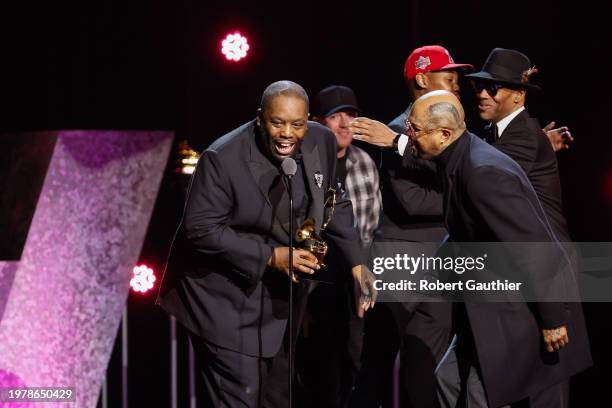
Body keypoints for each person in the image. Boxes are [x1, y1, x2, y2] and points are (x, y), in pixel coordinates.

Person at [157, 80, 376, 408]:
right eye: (277, 122)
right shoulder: (222, 158)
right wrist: (271, 256)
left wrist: (358, 262)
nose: (287, 133)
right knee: (240, 398)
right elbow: (200, 229)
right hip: (223, 302)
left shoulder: (322, 141)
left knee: (278, 398)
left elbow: (335, 201)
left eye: (297, 124)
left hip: (279, 302)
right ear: (260, 118)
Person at [406, 90, 592, 407]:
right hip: (491, 306)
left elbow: (534, 247)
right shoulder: (456, 157)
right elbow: (470, 231)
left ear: (443, 134)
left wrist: (551, 318)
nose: (409, 136)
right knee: (447, 381)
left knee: (482, 397)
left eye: (415, 129)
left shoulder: (481, 174)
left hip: (522, 309)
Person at [348, 45, 473, 408]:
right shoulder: (396, 131)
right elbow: (412, 201)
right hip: (403, 260)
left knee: (426, 368)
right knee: (379, 370)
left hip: (439, 263)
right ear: (422, 78)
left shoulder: (454, 132)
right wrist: (466, 199)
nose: (457, 85)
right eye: (448, 77)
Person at [296, 85, 382, 407]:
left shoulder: (364, 163)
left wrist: (364, 277)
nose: (345, 124)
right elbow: (300, 228)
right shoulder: (304, 162)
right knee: (317, 367)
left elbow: (371, 228)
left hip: (353, 281)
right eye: (335, 116)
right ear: (317, 122)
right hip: (315, 281)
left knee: (355, 364)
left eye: (352, 115)